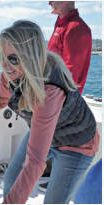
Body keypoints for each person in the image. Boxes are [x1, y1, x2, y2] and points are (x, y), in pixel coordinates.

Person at [0, 20, 99, 204]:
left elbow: (34, 162)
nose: (5, 65)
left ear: (30, 57)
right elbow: (0, 99)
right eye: (1, 56)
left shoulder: (50, 90)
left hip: (76, 144)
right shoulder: (11, 73)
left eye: (13, 59)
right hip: (45, 133)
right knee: (11, 179)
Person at [41, 1, 93, 191]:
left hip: (61, 103)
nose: (48, 2)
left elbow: (71, 74)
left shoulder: (76, 28)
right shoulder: (60, 24)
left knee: (56, 143)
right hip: (51, 99)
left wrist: (57, 104)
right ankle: (46, 175)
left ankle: (52, 179)